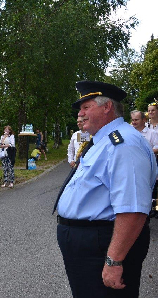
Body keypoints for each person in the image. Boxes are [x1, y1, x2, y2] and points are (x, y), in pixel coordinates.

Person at [55, 81, 156, 297]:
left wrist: (114, 260)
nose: (80, 114)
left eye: (86, 107)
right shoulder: (103, 140)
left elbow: (134, 208)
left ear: (107, 107)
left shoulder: (123, 144)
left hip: (100, 246)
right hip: (89, 244)